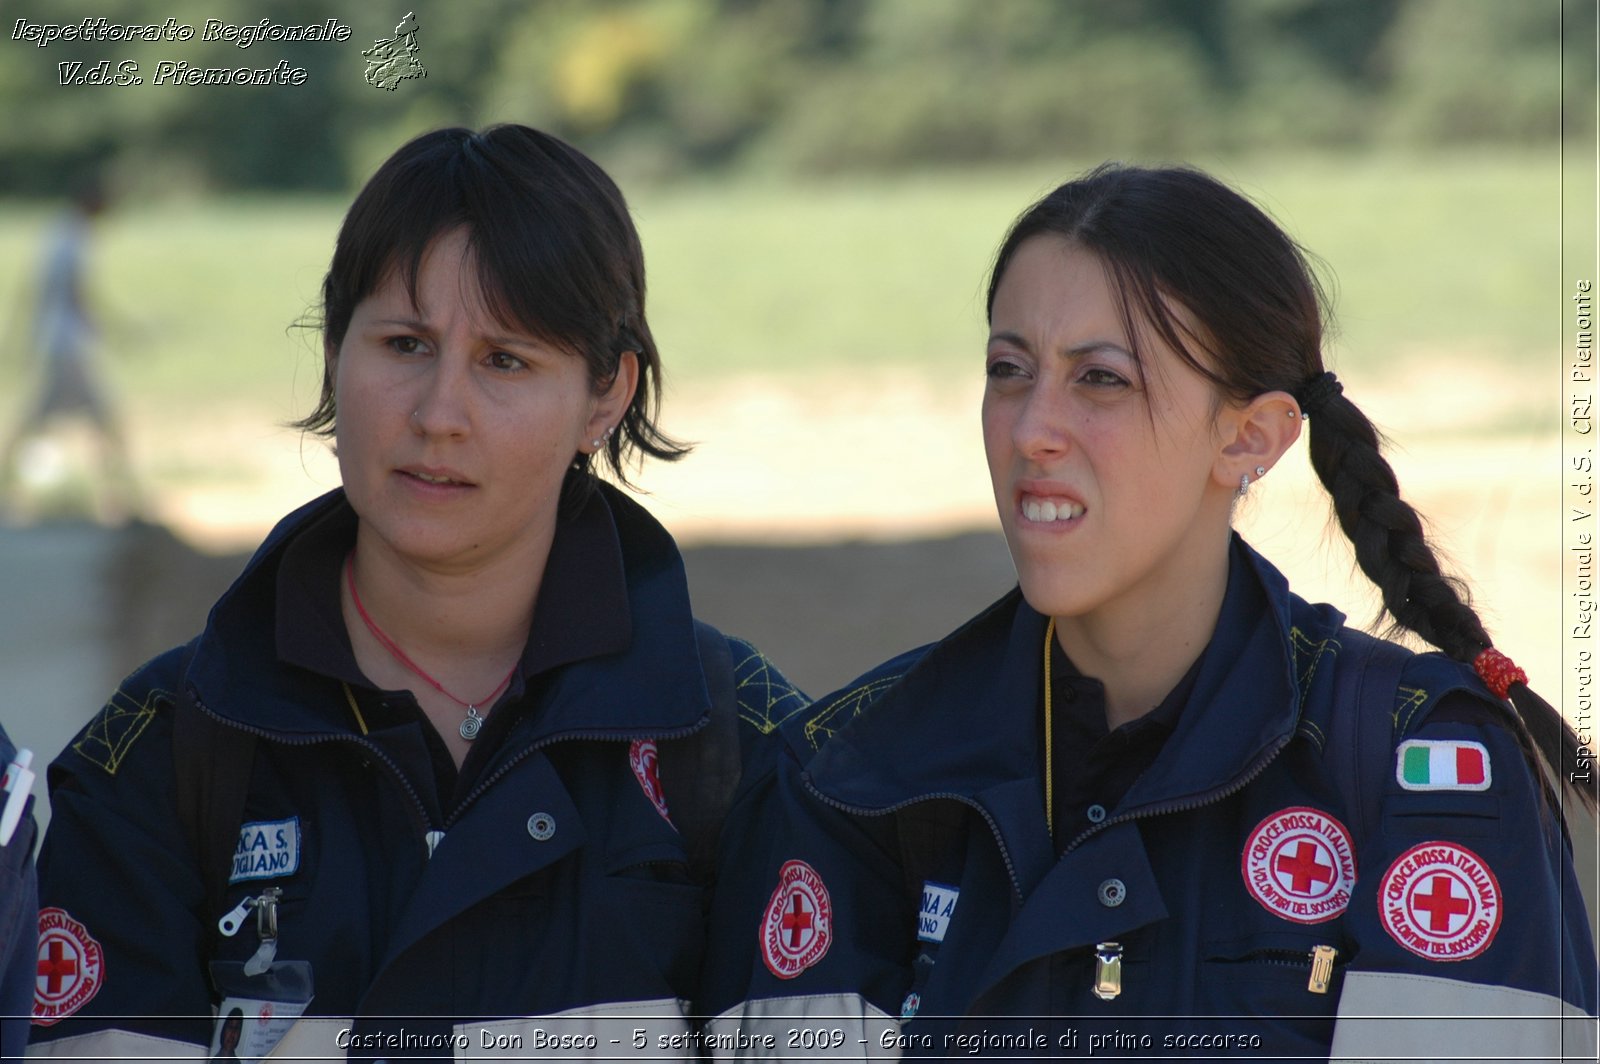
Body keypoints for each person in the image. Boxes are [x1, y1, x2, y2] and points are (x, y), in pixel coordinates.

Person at [700, 165, 1598, 1059]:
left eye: (1101, 380)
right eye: (1008, 370)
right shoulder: (846, 775)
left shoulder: (1425, 770)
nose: (1029, 430)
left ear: (1250, 436)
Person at [28, 125, 807, 1060]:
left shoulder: (741, 745)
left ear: (605, 398)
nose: (439, 414)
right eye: (404, 344)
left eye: (505, 360)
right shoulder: (159, 756)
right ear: (333, 355)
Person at [0, 178, 139, 523]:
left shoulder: (58, 234)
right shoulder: (74, 238)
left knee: (46, 419)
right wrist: (114, 329)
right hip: (68, 348)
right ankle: (125, 497)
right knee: (100, 418)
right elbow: (78, 294)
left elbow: (33, 291)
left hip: (57, 345)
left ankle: (124, 494)